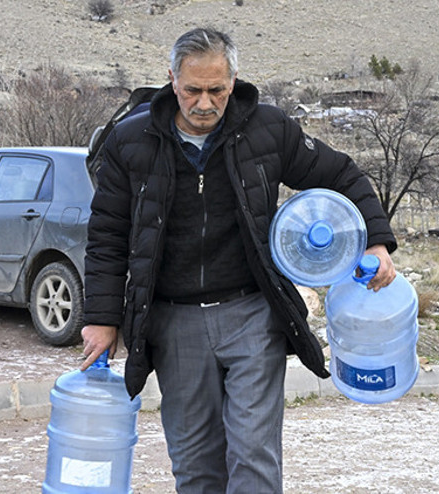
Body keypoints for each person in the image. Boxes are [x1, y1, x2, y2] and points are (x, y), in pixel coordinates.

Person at [80, 27, 397, 493]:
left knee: (254, 459)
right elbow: (107, 235)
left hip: (252, 316)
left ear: (233, 81)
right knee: (196, 466)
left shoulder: (268, 130)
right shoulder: (131, 142)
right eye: (192, 90)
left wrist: (375, 240)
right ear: (171, 79)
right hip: (173, 322)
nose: (205, 103)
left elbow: (342, 174)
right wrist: (102, 317)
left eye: (217, 91)